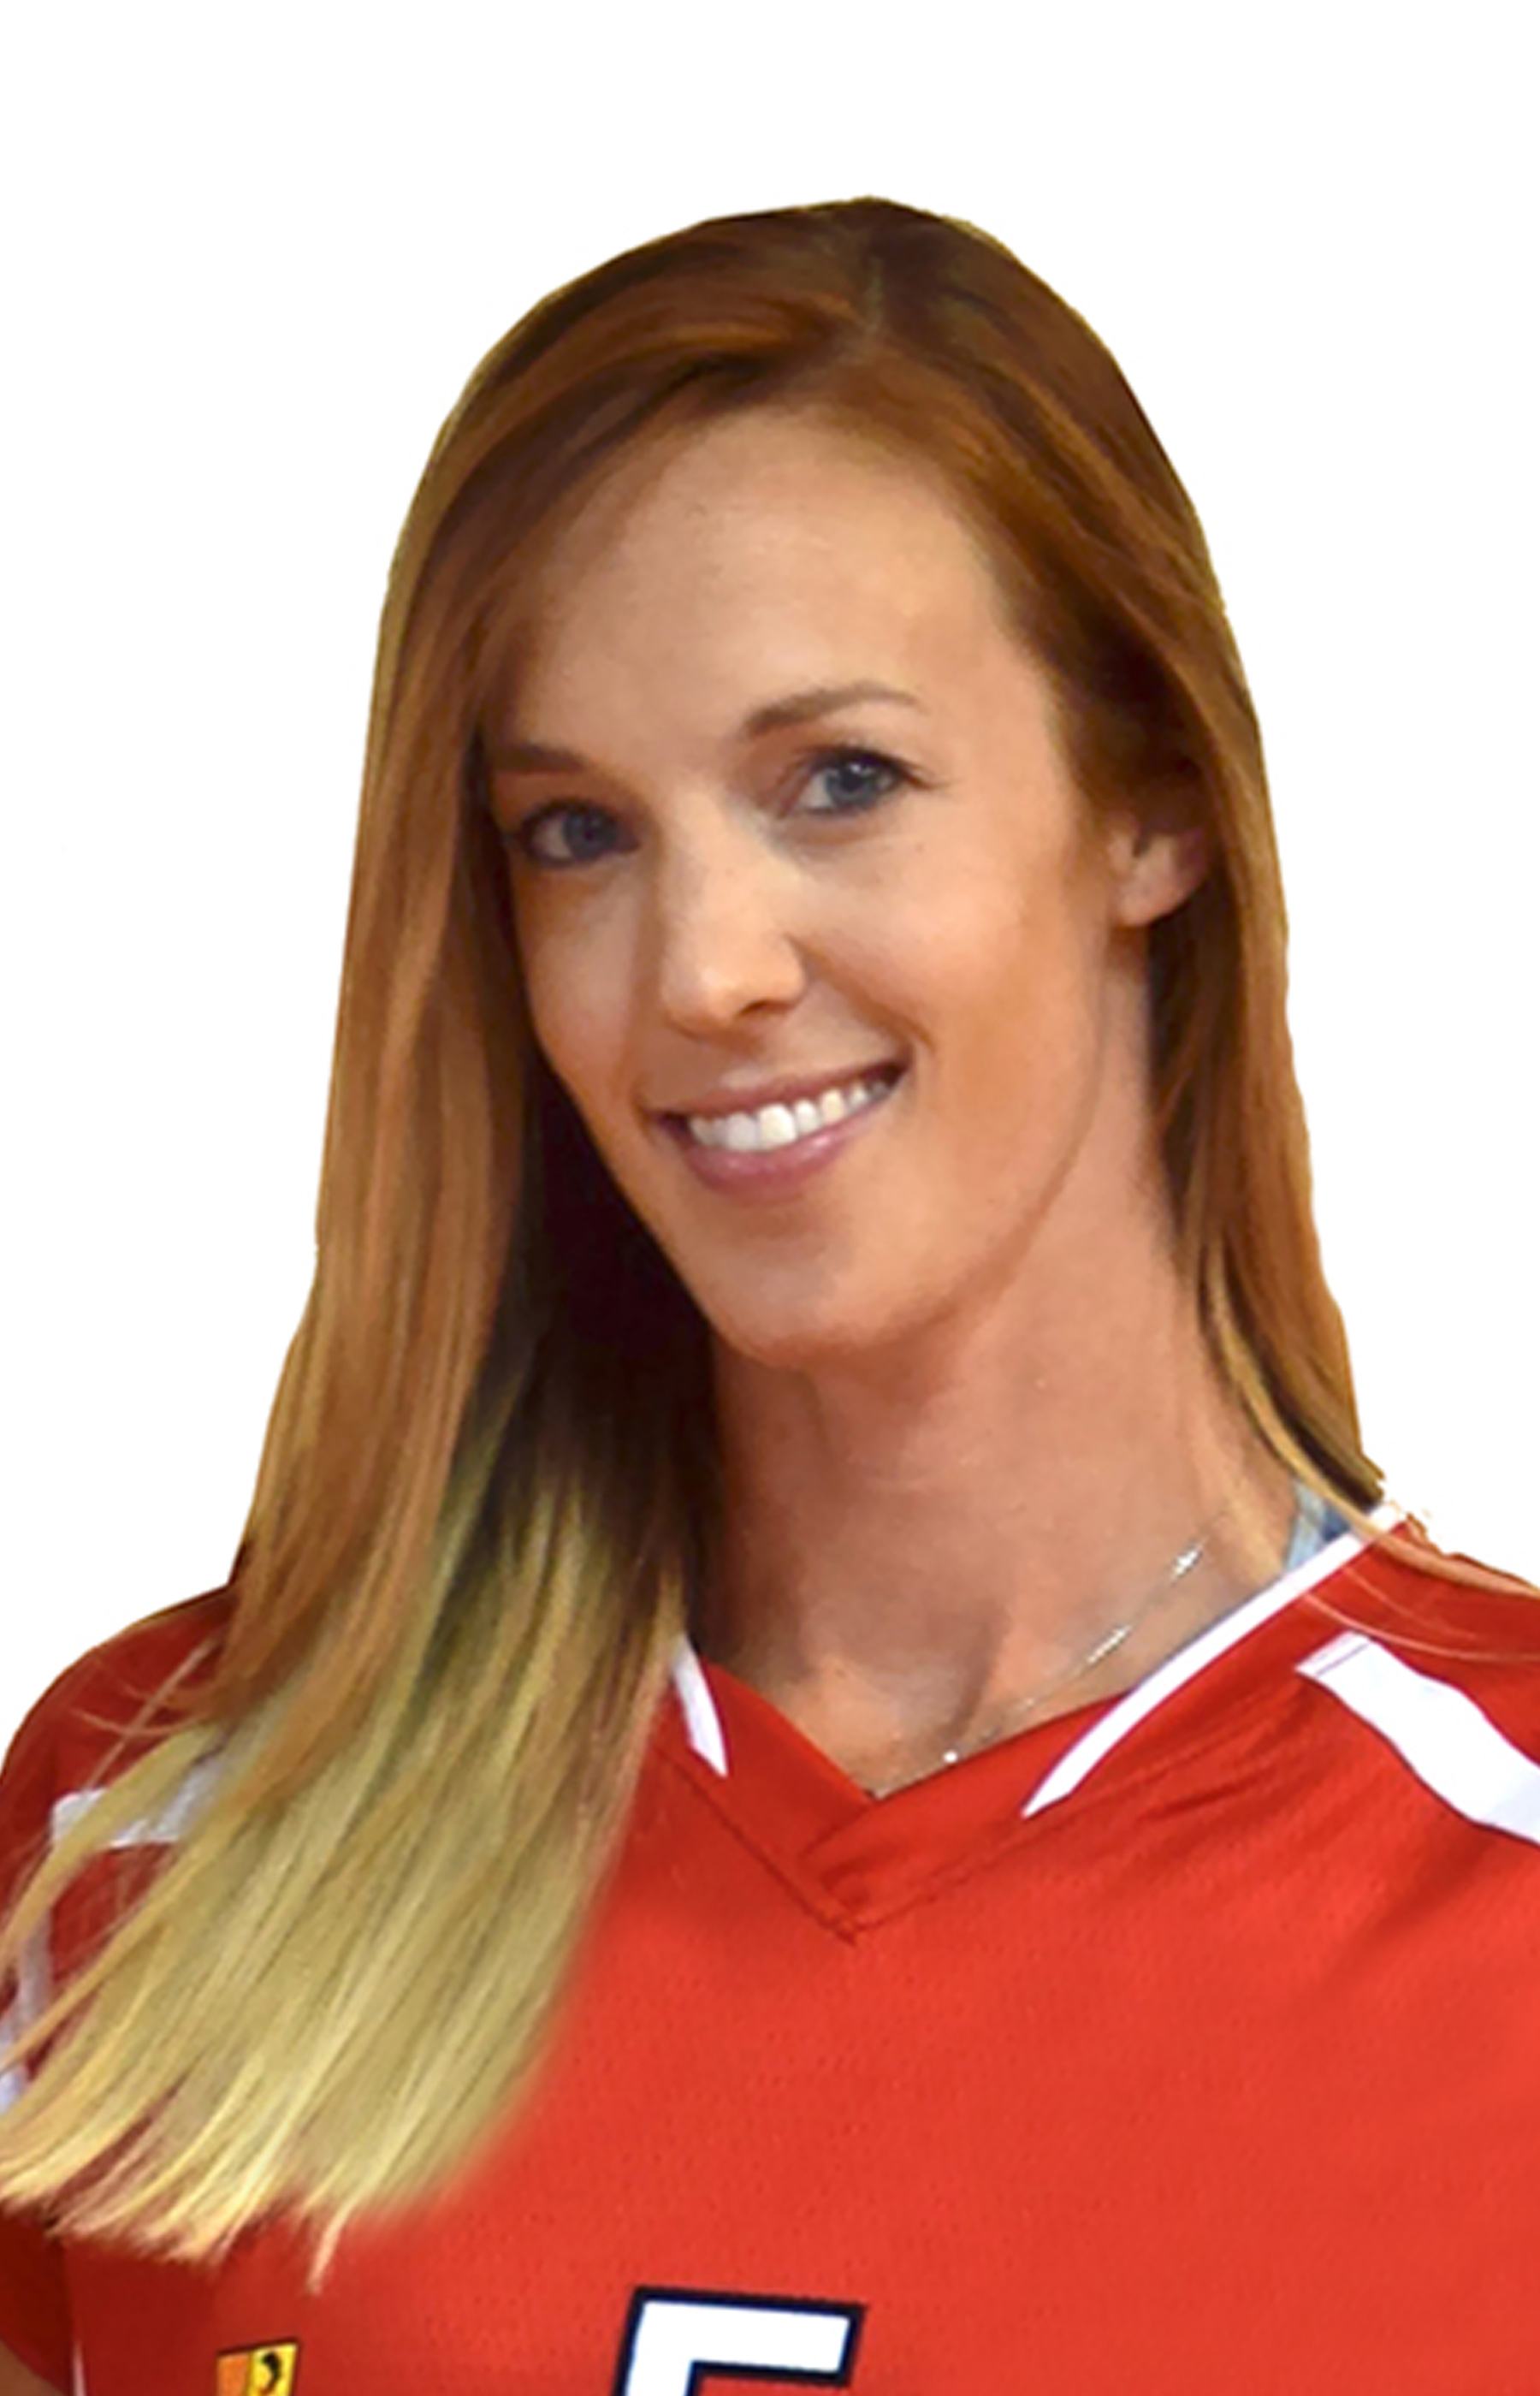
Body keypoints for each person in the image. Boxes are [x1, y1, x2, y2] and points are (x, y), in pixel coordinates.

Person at [1, 196, 1537, 2394]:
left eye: (841, 782)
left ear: (1152, 806)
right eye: (576, 831)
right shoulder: (164, 1817)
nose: (705, 969)